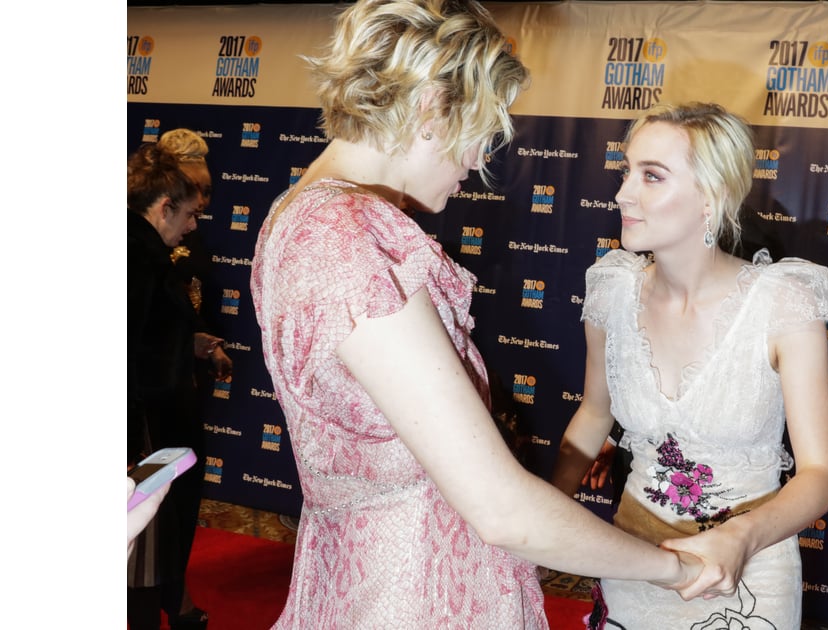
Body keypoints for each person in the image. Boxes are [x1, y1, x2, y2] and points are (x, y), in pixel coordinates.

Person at [249, 2, 716, 627]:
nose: (474, 165)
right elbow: (502, 511)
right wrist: (680, 569)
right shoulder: (350, 239)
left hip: (363, 578)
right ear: (431, 111)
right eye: (481, 133)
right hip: (416, 598)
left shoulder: (299, 213)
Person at [550, 101, 828, 629]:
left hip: (749, 568)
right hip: (632, 557)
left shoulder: (782, 304)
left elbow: (819, 476)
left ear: (711, 196)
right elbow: (594, 415)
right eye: (627, 171)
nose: (623, 192)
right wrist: (543, 518)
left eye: (652, 176)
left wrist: (740, 537)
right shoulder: (612, 290)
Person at [127, 142, 219, 630]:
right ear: (163, 207)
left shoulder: (139, 249)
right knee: (142, 552)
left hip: (152, 426)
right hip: (144, 433)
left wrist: (191, 343)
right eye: (189, 213)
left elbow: (145, 337)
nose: (193, 226)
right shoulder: (137, 256)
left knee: (150, 549)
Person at [157, 128, 233, 386]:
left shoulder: (189, 235)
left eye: (207, 190)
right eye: (194, 189)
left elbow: (183, 303)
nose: (201, 201)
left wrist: (202, 343)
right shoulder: (136, 249)